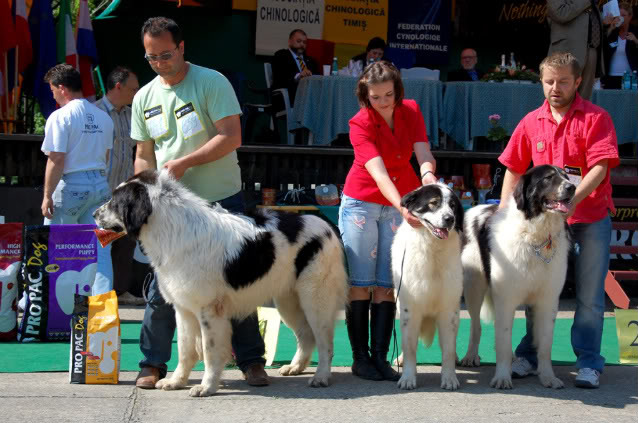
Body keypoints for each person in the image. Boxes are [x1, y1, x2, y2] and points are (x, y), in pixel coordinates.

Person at [130, 16, 268, 389]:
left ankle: (252, 361)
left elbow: (231, 135)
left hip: (220, 200)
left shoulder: (211, 81)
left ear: (182, 47)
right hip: (170, 212)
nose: (160, 63)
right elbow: (144, 154)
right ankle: (153, 363)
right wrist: (145, 186)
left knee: (237, 285)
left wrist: (185, 163)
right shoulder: (143, 97)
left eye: (166, 54)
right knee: (163, 287)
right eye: (151, 58)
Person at [498, 52, 619, 389]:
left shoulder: (596, 118)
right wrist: (507, 213)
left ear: (578, 81)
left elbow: (600, 166)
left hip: (590, 218)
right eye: (549, 81)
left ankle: (589, 363)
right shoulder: (530, 122)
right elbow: (514, 168)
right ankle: (531, 355)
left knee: (590, 297)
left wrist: (572, 202)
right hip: (543, 229)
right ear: (541, 81)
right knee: (537, 293)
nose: (555, 87)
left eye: (563, 81)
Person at [339, 61, 438, 381]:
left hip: (403, 199)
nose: (383, 102)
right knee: (360, 283)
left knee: (385, 284)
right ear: (365, 96)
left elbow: (423, 152)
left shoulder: (411, 110)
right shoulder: (359, 122)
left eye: (388, 95)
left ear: (398, 92)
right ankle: (360, 358)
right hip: (363, 203)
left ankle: (380, 357)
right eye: (376, 97)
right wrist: (403, 207)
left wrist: (428, 178)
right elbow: (377, 172)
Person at [40, 64, 114, 297]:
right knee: (102, 249)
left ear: (62, 88)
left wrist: (46, 195)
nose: (52, 95)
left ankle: (53, 308)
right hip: (101, 186)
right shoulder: (104, 117)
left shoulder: (60, 116)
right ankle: (101, 311)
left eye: (52, 90)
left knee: (55, 246)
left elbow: (56, 160)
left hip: (71, 186)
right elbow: (106, 157)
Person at [94, 66, 144, 306]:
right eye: (133, 89)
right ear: (118, 87)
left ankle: (120, 291)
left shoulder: (132, 114)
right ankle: (100, 294)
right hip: (100, 191)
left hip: (123, 191)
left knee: (124, 242)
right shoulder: (94, 113)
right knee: (101, 243)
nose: (136, 93)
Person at [546, 0, 604, 100]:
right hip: (567, 50)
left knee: (584, 99)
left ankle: (579, 116)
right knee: (562, 97)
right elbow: (561, 14)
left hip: (591, 49)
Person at [272, 28, 319, 104]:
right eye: (299, 41)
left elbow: (317, 78)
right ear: (289, 41)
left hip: (310, 97)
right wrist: (298, 76)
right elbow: (280, 77)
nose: (302, 44)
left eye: (304, 42)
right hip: (291, 96)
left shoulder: (311, 61)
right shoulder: (281, 56)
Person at [602, 1, 638, 89]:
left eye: (623, 15)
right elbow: (601, 48)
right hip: (611, 77)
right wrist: (610, 28)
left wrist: (636, 40)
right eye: (619, 15)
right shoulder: (612, 32)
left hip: (630, 78)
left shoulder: (636, 32)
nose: (620, 18)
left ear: (630, 17)